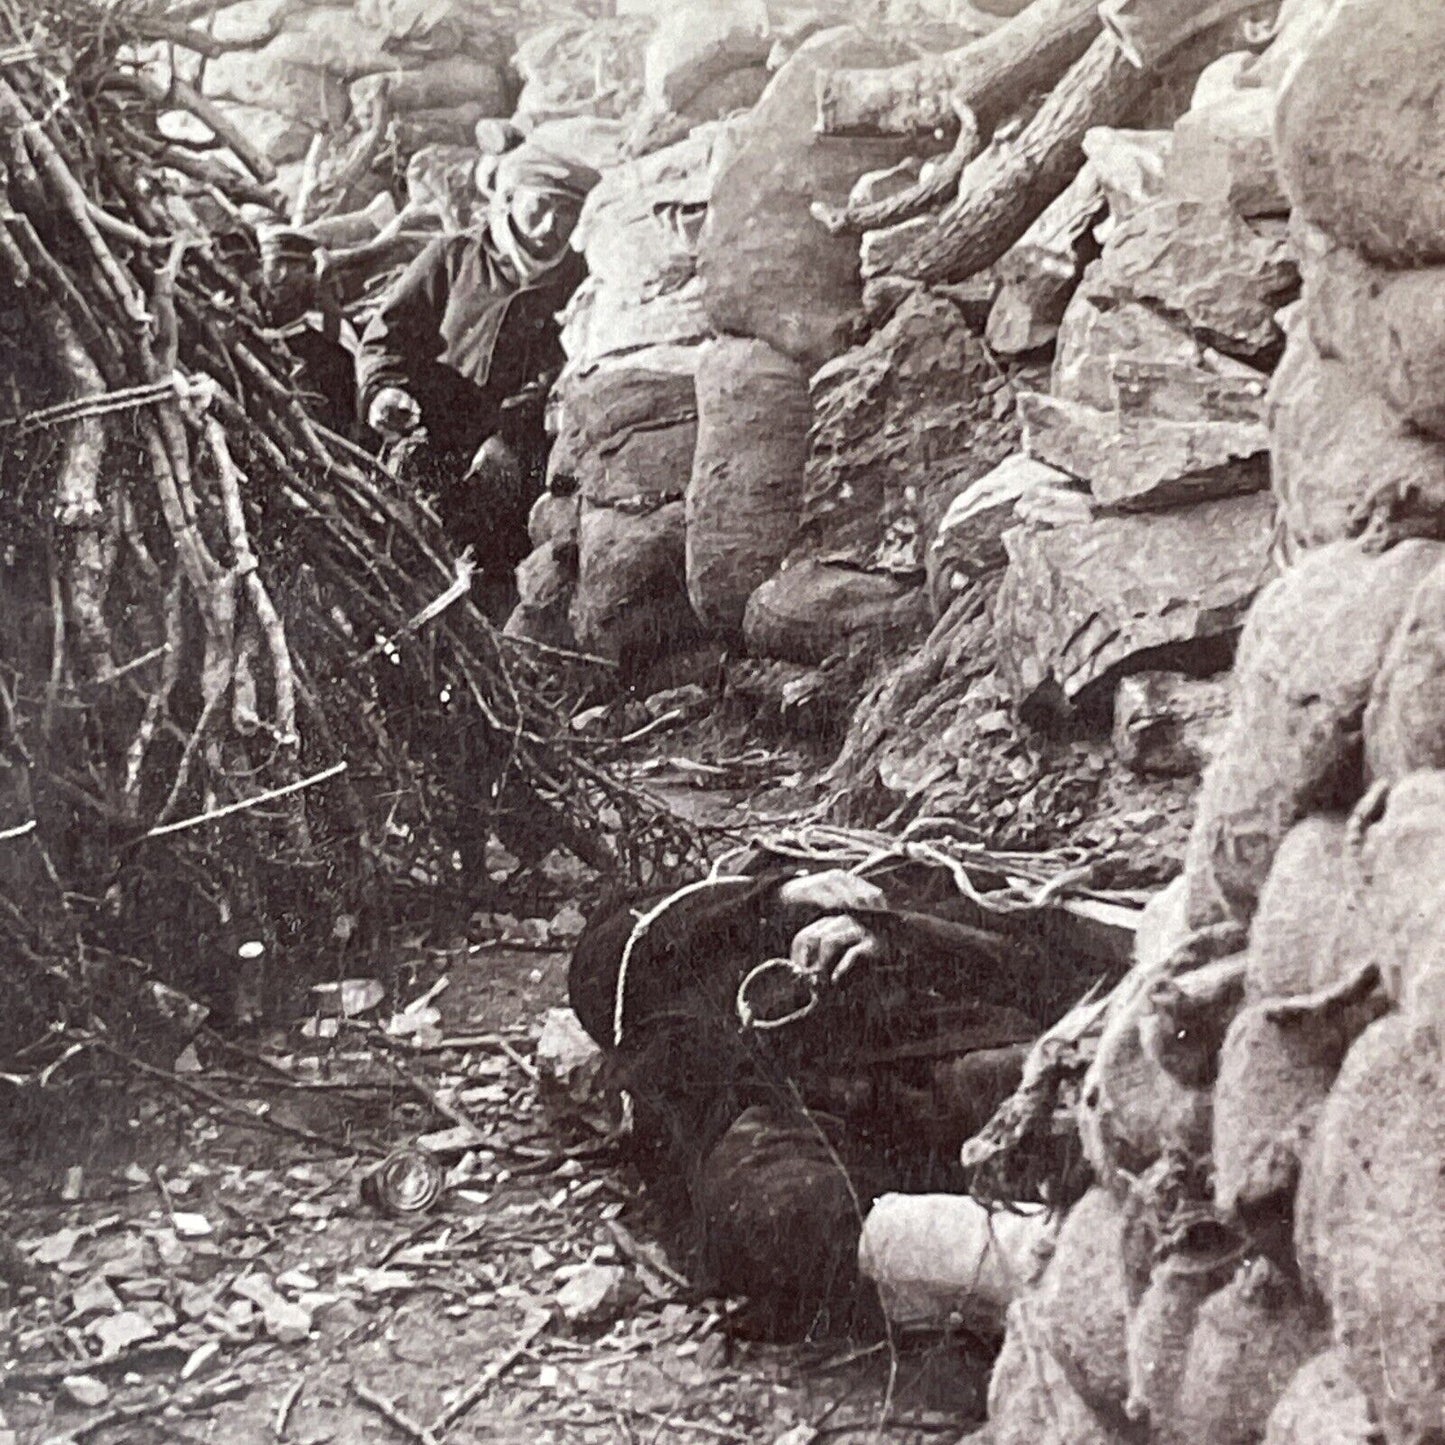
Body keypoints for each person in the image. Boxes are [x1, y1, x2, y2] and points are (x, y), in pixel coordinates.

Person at [355, 140, 597, 614]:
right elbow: (386, 338)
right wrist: (384, 391)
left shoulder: (580, 280)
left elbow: (574, 375)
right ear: (509, 199)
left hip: (521, 469)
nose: (552, 226)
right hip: (431, 444)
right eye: (541, 206)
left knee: (494, 589)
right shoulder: (454, 258)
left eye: (567, 214)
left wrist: (517, 434)